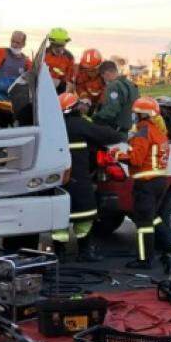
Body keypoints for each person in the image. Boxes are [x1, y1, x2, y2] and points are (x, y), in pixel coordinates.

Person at [53, 92, 123, 262]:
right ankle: (85, 252)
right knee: (84, 216)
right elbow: (107, 136)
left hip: (57, 181)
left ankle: (59, 253)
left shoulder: (53, 126)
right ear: (74, 108)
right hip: (78, 180)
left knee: (59, 219)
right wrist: (120, 134)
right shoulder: (80, 124)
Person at [117, 97, 170, 269]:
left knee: (143, 223)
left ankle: (145, 259)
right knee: (152, 217)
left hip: (146, 182)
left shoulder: (143, 131)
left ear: (141, 115)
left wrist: (117, 156)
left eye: (135, 114)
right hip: (159, 180)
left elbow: (136, 159)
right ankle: (168, 245)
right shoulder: (159, 132)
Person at [92, 60, 138, 133]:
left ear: (106, 74)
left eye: (103, 76)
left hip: (117, 129)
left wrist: (97, 117)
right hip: (131, 126)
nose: (104, 80)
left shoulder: (113, 86)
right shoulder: (131, 84)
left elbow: (113, 107)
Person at [43, 27, 75, 93]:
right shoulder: (43, 54)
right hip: (42, 86)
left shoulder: (69, 57)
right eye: (56, 45)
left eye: (61, 45)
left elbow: (69, 80)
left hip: (60, 90)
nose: (59, 48)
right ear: (51, 43)